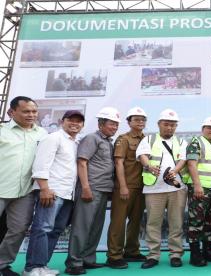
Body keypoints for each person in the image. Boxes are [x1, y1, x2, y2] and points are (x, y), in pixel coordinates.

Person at [23, 110, 85, 276]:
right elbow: (41, 164)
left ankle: (42, 266)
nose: (75, 123)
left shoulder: (76, 142)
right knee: (42, 228)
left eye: (79, 121)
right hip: (52, 191)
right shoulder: (53, 138)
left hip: (67, 194)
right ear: (62, 121)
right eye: (71, 120)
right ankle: (32, 267)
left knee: (56, 230)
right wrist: (44, 189)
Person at [65, 107, 121, 275]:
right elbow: (82, 163)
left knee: (95, 227)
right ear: (100, 123)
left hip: (103, 189)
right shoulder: (92, 138)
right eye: (111, 124)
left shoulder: (108, 141)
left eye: (116, 124)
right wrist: (86, 188)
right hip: (91, 188)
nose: (114, 127)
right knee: (82, 226)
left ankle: (88, 260)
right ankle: (74, 263)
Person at [0, 96, 47, 276]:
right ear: (12, 112)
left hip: (25, 191)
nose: (31, 115)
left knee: (18, 229)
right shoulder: (2, 131)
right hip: (1, 186)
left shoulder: (42, 134)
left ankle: (2, 264)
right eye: (26, 111)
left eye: (34, 111)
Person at [136, 109, 189, 269]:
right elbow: (142, 155)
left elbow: (183, 159)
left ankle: (175, 254)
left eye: (173, 125)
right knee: (153, 222)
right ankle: (153, 255)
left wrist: (175, 170)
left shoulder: (181, 142)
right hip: (154, 189)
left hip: (176, 189)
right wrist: (149, 165)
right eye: (166, 124)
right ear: (159, 124)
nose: (169, 128)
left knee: (176, 222)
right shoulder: (149, 139)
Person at [106, 107, 148, 269]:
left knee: (136, 221)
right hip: (125, 187)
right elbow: (118, 163)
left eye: (143, 119)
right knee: (118, 222)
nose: (140, 122)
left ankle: (131, 250)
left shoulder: (146, 139)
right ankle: (114, 256)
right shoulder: (123, 139)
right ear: (129, 122)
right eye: (136, 119)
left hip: (141, 188)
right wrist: (122, 186)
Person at [186, 116, 211, 267]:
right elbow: (191, 164)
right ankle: (195, 254)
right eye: (209, 127)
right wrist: (197, 185)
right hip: (201, 189)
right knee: (196, 221)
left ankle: (208, 251)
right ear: (203, 129)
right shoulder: (197, 142)